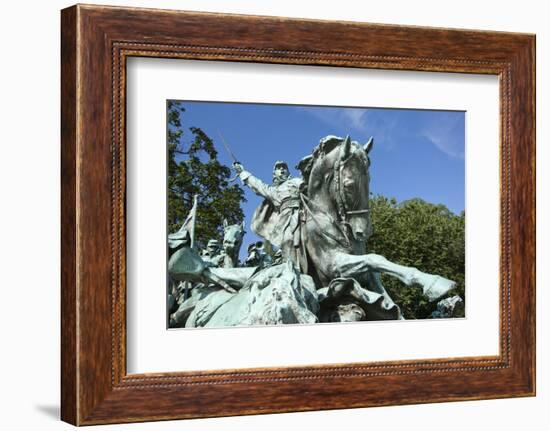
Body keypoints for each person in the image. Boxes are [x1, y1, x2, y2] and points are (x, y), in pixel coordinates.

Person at [233, 160, 305, 268]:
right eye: (278, 168)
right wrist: (243, 172)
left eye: (284, 167)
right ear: (274, 173)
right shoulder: (273, 190)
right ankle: (292, 266)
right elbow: (258, 185)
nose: (282, 170)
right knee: (288, 239)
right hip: (286, 219)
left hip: (305, 210)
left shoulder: (297, 181)